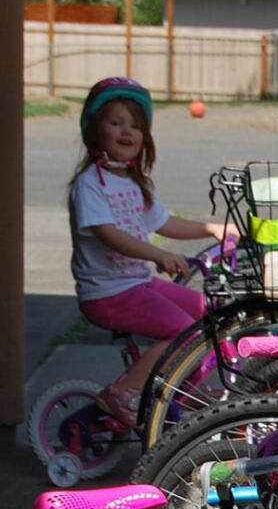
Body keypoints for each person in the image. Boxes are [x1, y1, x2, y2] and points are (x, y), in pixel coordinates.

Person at [68, 77, 234, 426]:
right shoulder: (89, 185)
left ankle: (178, 387)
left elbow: (165, 223)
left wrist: (213, 230)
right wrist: (156, 255)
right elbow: (109, 235)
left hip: (136, 285)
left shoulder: (133, 182)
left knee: (205, 313)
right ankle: (124, 390)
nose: (127, 132)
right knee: (177, 330)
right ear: (94, 131)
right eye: (116, 123)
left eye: (136, 125)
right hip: (107, 292)